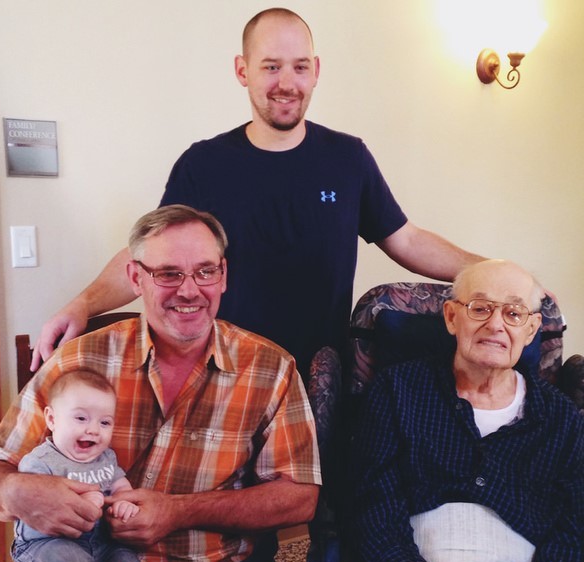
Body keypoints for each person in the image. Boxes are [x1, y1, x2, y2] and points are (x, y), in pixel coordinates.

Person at [30, 7, 484, 380]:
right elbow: (148, 257)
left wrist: (493, 271)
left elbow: (406, 240)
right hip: (222, 376)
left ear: (316, 71)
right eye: (270, 66)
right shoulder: (203, 164)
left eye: (299, 66)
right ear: (242, 71)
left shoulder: (348, 159)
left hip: (319, 379)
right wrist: (81, 305)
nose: (286, 82)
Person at [0, 204, 321, 562]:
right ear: (135, 278)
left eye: (205, 271)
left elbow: (300, 499)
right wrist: (14, 492)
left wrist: (178, 511)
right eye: (168, 273)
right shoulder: (79, 360)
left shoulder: (271, 368)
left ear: (223, 275)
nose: (190, 289)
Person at [349, 259, 583, 562]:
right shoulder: (397, 389)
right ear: (451, 317)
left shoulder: (560, 416)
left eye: (514, 313)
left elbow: (575, 520)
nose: (495, 325)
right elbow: (371, 496)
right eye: (480, 308)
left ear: (531, 330)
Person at [12, 368, 155, 562]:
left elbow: (119, 483)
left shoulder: (106, 458)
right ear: (52, 419)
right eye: (81, 418)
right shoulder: (39, 462)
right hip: (46, 546)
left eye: (105, 422)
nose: (93, 429)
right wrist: (81, 502)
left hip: (103, 545)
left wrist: (125, 500)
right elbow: (36, 506)